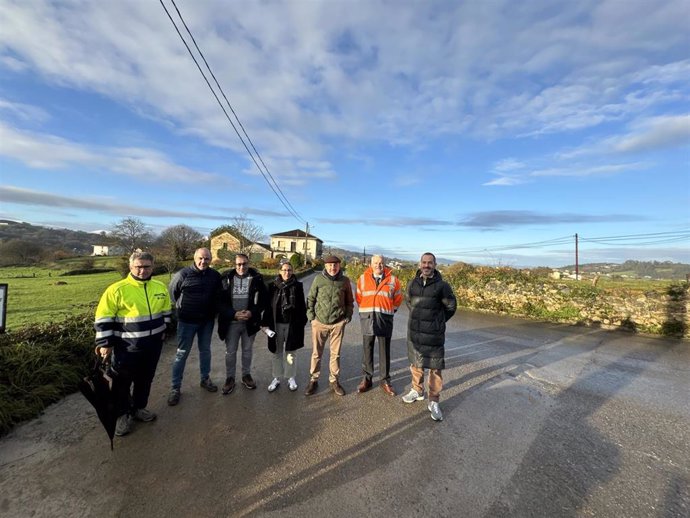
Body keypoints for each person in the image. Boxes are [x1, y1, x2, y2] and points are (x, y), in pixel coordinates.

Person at [94, 251, 172, 436]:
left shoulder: (160, 287)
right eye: (138, 266)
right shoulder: (116, 290)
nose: (142, 270)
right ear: (131, 267)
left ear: (153, 267)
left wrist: (164, 331)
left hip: (152, 346)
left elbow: (167, 311)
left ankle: (138, 408)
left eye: (146, 266)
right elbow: (103, 318)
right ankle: (122, 415)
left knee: (145, 380)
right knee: (121, 382)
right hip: (126, 348)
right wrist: (105, 343)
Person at [402, 252, 457, 422]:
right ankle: (417, 391)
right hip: (415, 333)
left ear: (435, 264)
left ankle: (433, 401)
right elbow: (408, 301)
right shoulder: (412, 283)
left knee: (435, 369)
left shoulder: (442, 286)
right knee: (416, 364)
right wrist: (418, 317)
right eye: (424, 262)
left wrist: (437, 322)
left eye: (430, 263)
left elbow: (451, 306)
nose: (426, 265)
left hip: (434, 335)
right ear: (420, 264)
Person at [167, 248, 222, 406]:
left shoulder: (215, 276)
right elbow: (173, 293)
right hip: (187, 322)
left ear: (211, 259)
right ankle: (175, 388)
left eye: (206, 259)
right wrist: (184, 309)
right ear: (194, 258)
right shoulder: (182, 274)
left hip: (206, 322)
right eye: (200, 258)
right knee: (182, 353)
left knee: (205, 351)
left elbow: (218, 295)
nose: (203, 261)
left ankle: (205, 379)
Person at [217, 253, 267, 394]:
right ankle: (230, 378)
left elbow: (263, 300)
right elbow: (219, 302)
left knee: (247, 351)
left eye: (244, 263)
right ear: (235, 264)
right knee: (230, 352)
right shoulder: (226, 279)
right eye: (239, 264)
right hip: (231, 322)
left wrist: (252, 312)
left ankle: (246, 375)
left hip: (249, 323)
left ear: (248, 263)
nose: (241, 267)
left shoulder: (257, 279)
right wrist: (233, 314)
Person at [305, 255, 354, 396]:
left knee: (335, 354)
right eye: (330, 265)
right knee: (316, 353)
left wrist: (347, 317)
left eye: (335, 265)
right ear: (325, 266)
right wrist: (311, 318)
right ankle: (313, 380)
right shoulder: (318, 279)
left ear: (339, 266)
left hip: (337, 323)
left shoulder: (345, 281)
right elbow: (311, 299)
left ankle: (334, 380)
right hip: (319, 323)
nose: (333, 268)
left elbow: (350, 301)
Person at [355, 254, 402, 396]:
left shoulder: (394, 280)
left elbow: (398, 299)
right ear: (371, 264)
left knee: (384, 350)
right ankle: (367, 379)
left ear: (385, 264)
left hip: (384, 319)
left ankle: (385, 380)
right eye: (375, 263)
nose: (378, 265)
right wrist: (367, 310)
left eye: (381, 263)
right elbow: (359, 298)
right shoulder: (362, 279)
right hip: (368, 318)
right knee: (367, 350)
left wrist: (388, 312)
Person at [264, 260, 308, 392]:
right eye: (284, 270)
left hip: (292, 324)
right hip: (276, 324)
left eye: (289, 270)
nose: (287, 272)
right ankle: (276, 377)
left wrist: (301, 322)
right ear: (279, 271)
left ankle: (290, 377)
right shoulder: (272, 286)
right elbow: (268, 306)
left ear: (292, 271)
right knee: (276, 352)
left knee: (290, 352)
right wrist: (265, 324)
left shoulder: (298, 286)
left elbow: (301, 306)